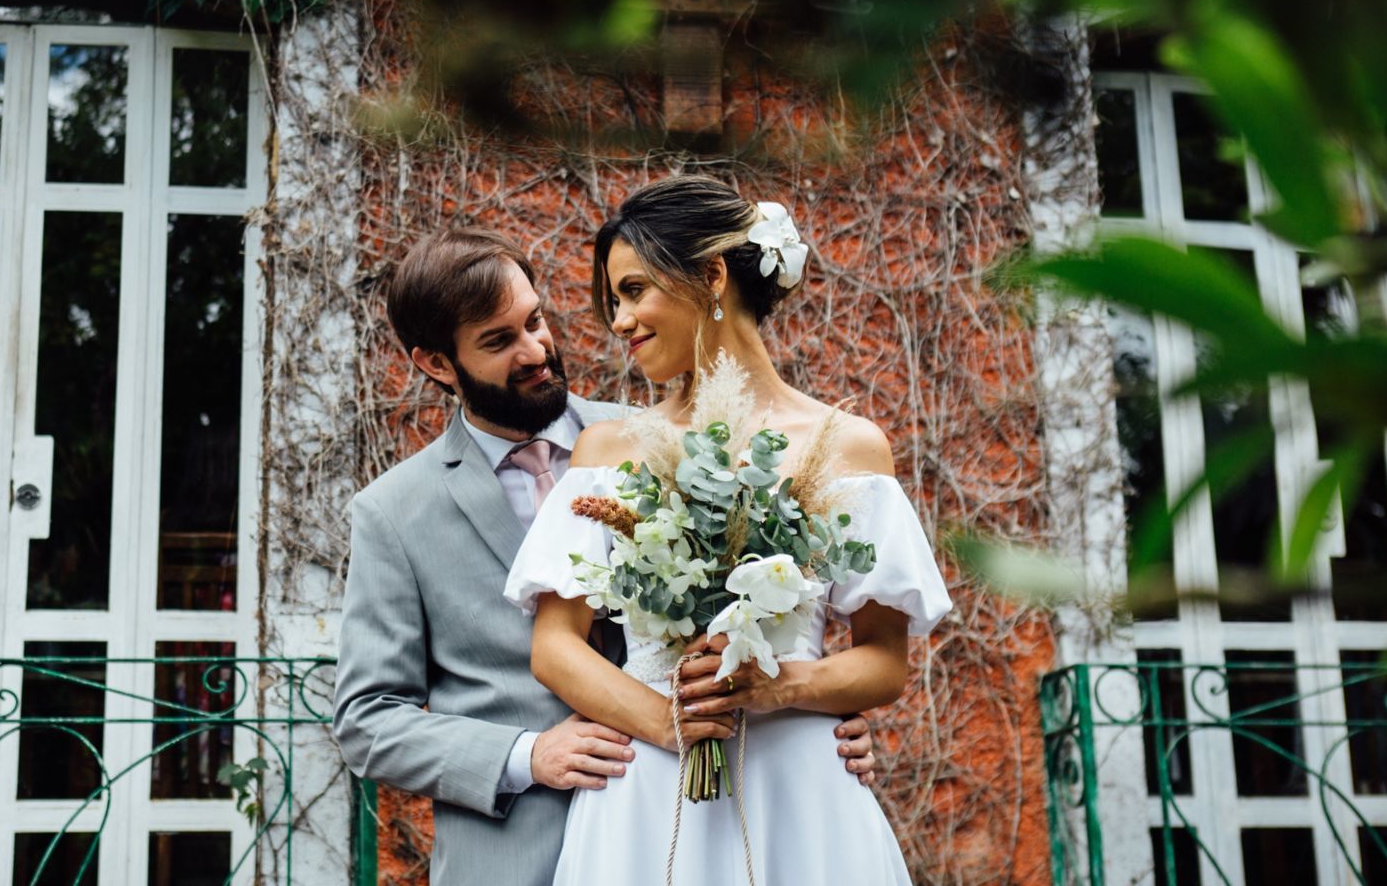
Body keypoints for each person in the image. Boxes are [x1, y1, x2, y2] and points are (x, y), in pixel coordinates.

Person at [333, 228, 880, 886]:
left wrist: (817, 719)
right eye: (500, 342)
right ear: (436, 364)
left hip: (694, 823)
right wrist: (526, 755)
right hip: (516, 855)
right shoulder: (394, 512)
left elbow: (763, 600)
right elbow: (367, 720)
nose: (536, 351)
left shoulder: (663, 438)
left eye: (534, 321)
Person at [506, 176, 953, 885]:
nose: (619, 321)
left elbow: (883, 661)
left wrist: (778, 687)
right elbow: (556, 646)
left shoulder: (848, 447)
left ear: (711, 275)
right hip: (650, 792)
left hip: (799, 791)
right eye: (614, 301)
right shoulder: (610, 452)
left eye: (633, 291)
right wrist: (668, 722)